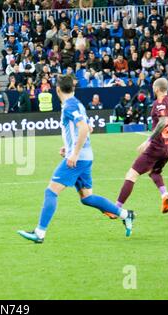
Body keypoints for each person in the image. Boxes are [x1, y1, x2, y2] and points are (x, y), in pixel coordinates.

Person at [17, 75, 135, 243]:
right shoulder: (78, 103)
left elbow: (84, 129)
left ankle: (40, 233)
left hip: (79, 159)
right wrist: (70, 148)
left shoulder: (69, 106)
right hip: (86, 157)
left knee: (50, 192)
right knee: (86, 197)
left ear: (57, 90)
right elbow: (89, 128)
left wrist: (74, 153)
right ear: (73, 89)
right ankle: (125, 214)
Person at [115, 78, 168, 217]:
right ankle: (165, 194)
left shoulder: (159, 103)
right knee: (155, 172)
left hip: (157, 146)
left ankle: (115, 209)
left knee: (131, 175)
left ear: (157, 89)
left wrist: (148, 140)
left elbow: (164, 121)